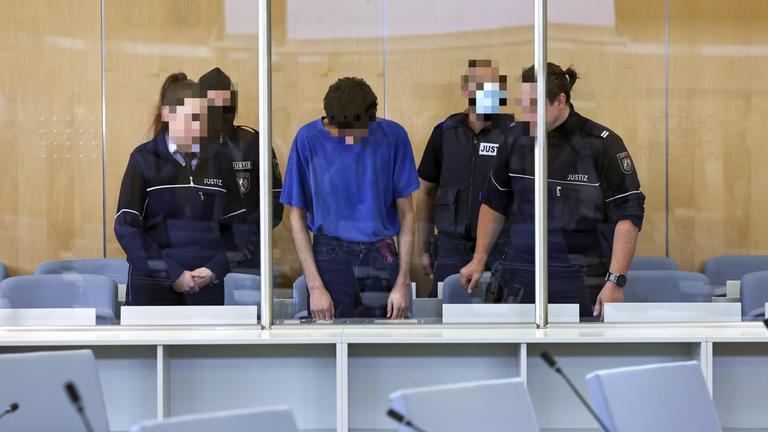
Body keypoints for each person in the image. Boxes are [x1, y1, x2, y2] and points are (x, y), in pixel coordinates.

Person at [460, 63, 645, 319]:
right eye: (523, 105)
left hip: (580, 276)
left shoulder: (602, 144)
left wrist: (615, 281)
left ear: (560, 100)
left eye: (534, 106)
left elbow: (629, 214)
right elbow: (495, 202)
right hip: (522, 272)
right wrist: (479, 257)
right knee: (519, 354)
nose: (526, 115)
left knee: (576, 357)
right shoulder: (514, 138)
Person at [280, 77, 420, 320]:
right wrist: (315, 287)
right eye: (341, 132)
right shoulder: (307, 139)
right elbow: (295, 216)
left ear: (372, 117)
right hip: (329, 254)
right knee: (327, 344)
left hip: (381, 251)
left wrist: (402, 283)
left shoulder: (393, 137)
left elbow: (407, 214)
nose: (349, 139)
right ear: (330, 118)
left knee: (384, 343)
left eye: (356, 132)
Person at [115, 74, 246, 305]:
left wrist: (215, 269)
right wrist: (172, 274)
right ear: (168, 114)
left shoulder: (220, 160)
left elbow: (239, 229)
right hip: (152, 289)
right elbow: (126, 227)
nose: (199, 126)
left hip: (206, 288)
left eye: (202, 118)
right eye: (192, 118)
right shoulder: (143, 159)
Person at [416, 59, 515, 298]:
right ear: (465, 89)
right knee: (445, 318)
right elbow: (426, 192)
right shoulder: (444, 133)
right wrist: (423, 248)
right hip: (451, 247)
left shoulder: (513, 134)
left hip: (501, 248)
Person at [198, 67, 284, 274]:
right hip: (202, 254)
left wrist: (243, 236)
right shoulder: (188, 147)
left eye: (225, 107)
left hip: (248, 252)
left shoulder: (254, 143)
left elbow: (275, 203)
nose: (220, 114)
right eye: (212, 106)